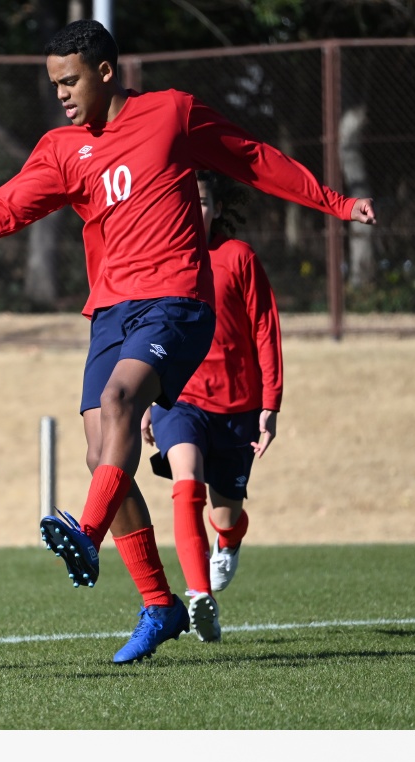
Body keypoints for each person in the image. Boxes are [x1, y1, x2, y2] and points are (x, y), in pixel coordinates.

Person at [0, 19, 375, 663]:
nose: (61, 94)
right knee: (103, 451)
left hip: (176, 301)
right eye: (54, 84)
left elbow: (253, 158)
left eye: (70, 81)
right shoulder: (61, 149)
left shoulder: (171, 114)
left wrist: (336, 203)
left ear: (105, 72)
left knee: (122, 401)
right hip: (109, 314)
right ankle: (160, 604)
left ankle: (87, 531)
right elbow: (0, 210)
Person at [139, 169, 281, 646]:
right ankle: (201, 596)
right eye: (182, 199)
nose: (191, 209)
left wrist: (271, 403)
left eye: (200, 201)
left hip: (237, 406)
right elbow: (146, 334)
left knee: (225, 515)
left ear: (217, 208)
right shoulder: (160, 260)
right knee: (186, 481)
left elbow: (266, 329)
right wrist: (143, 396)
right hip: (180, 399)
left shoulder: (238, 257)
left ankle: (230, 539)